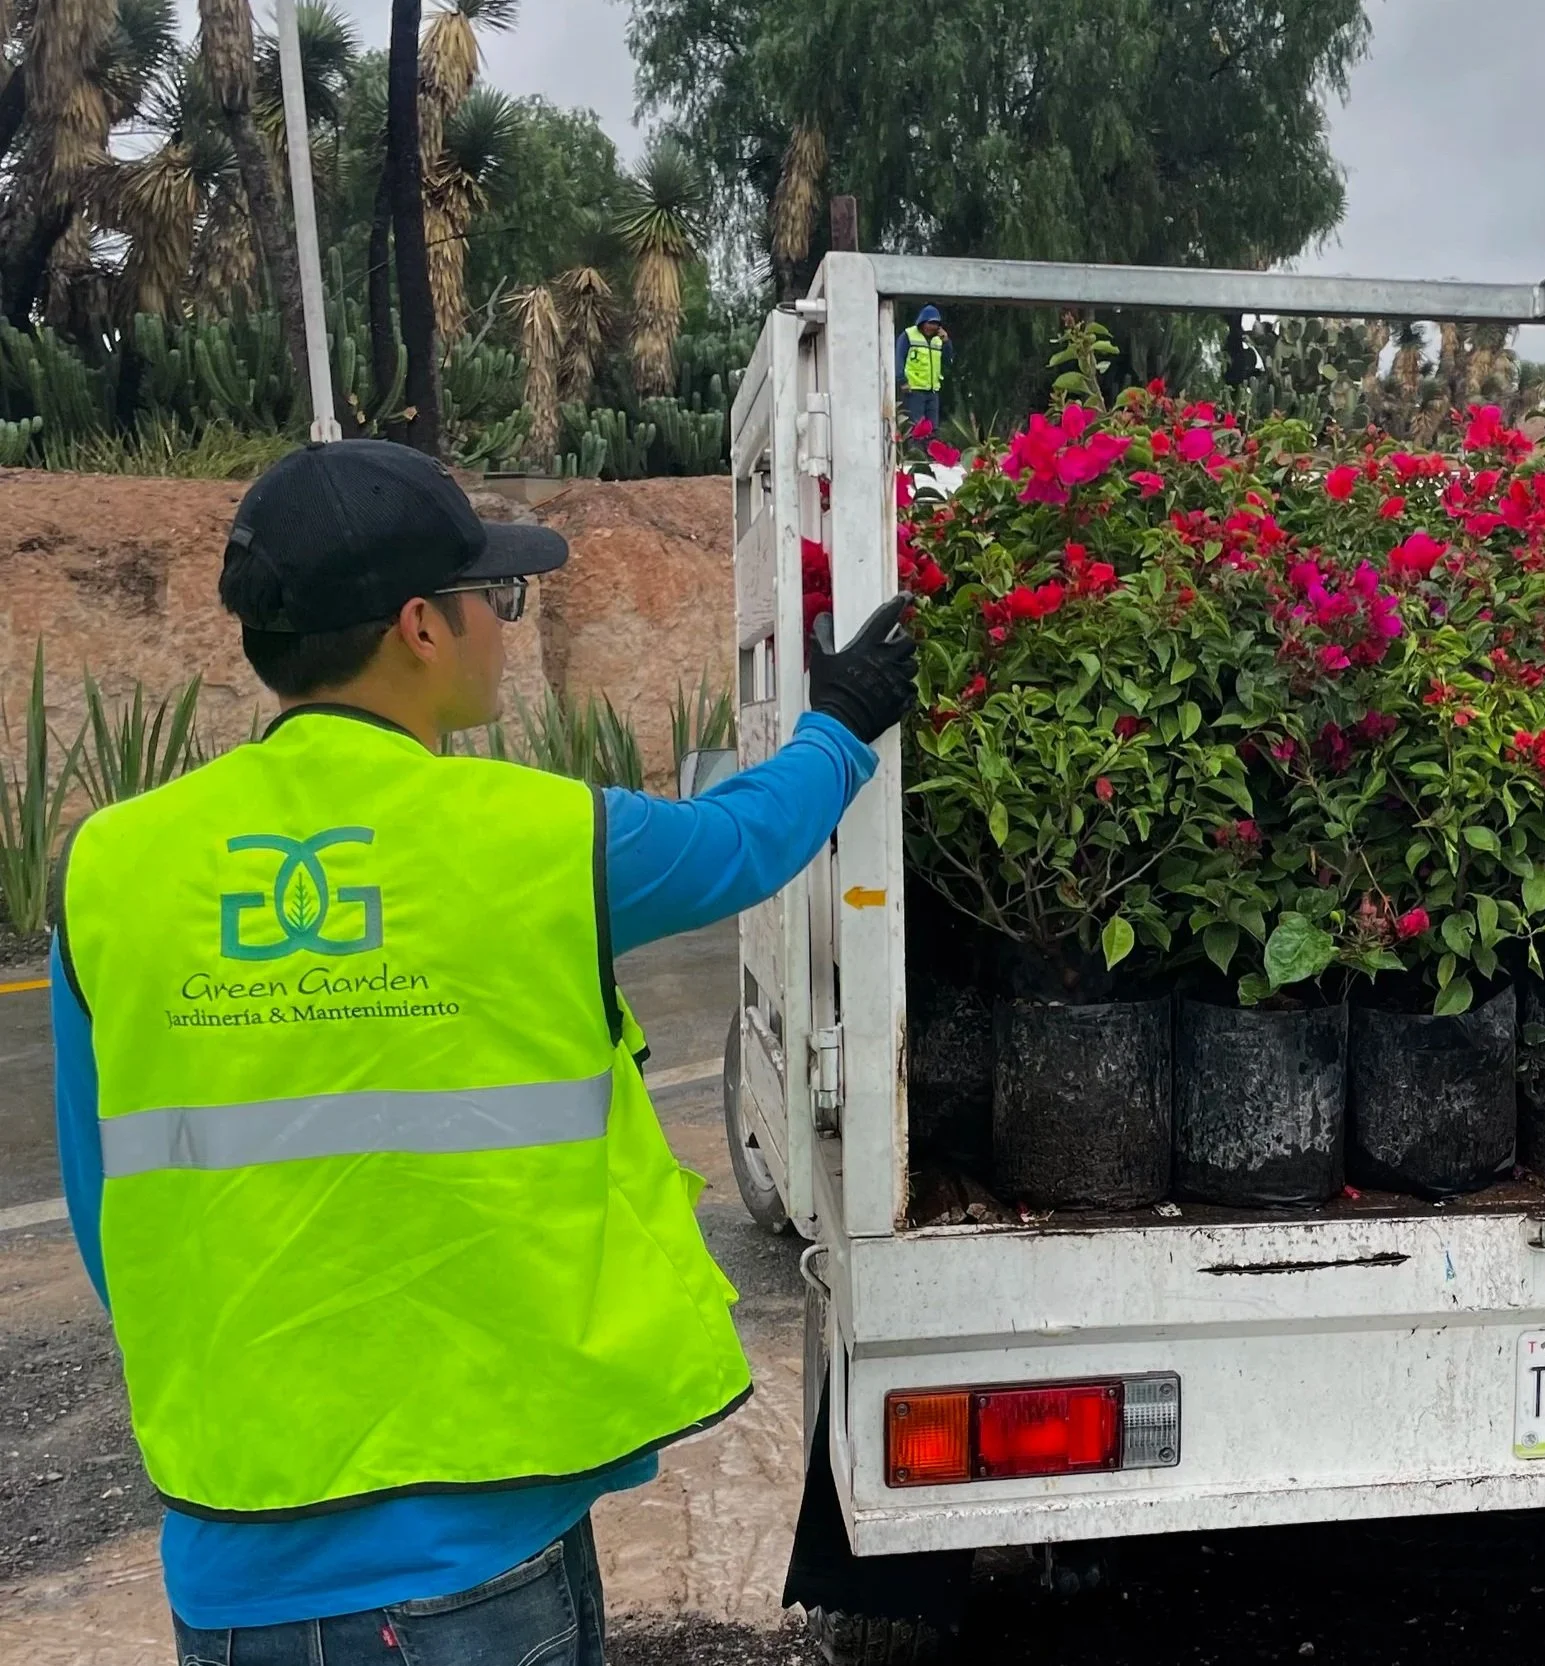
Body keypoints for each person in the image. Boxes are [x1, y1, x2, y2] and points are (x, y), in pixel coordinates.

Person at [48, 439, 916, 1661]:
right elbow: (740, 844)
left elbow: (106, 1213)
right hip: (478, 1539)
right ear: (419, 626)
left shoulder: (111, 869)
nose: (505, 625)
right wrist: (843, 721)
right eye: (494, 596)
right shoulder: (537, 838)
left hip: (233, 1552)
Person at [895, 304, 953, 446]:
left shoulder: (938, 339)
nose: (932, 327)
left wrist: (946, 342)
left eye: (935, 324)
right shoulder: (908, 335)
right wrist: (902, 380)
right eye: (929, 323)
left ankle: (931, 456)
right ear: (922, 322)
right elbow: (898, 358)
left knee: (933, 429)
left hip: (932, 390)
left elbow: (948, 360)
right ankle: (915, 455)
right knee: (916, 428)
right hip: (913, 390)